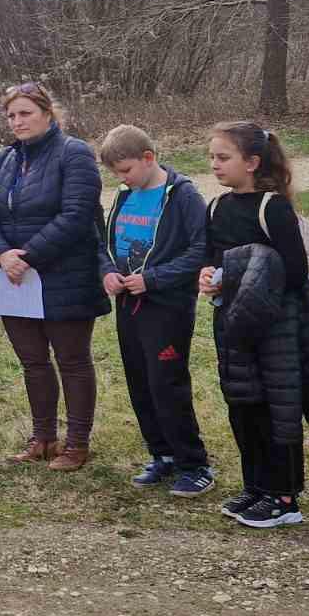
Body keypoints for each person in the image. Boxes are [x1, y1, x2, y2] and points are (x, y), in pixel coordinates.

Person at [199, 122, 309, 529]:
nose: (214, 165)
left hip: (276, 328)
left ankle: (284, 496)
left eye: (223, 157)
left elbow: (293, 271)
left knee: (276, 409)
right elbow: (211, 256)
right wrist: (207, 275)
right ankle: (256, 485)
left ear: (252, 162)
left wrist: (236, 277)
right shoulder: (216, 207)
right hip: (232, 324)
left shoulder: (272, 207)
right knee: (242, 405)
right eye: (212, 157)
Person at [0, 82, 107, 470]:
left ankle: (77, 444)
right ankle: (43, 438)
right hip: (14, 278)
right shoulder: (5, 158)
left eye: (25, 113)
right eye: (11, 115)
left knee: (72, 360)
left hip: (65, 275)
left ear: (47, 113)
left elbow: (76, 215)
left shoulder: (74, 153)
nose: (17, 122)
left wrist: (28, 257)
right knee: (33, 361)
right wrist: (3, 254)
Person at [96, 125, 214, 495]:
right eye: (116, 173)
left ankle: (194, 464)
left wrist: (154, 279)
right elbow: (104, 243)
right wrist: (107, 272)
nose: (122, 178)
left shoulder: (183, 196)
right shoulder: (124, 195)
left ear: (148, 158)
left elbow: (201, 249)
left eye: (126, 170)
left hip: (167, 307)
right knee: (140, 381)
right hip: (128, 305)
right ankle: (162, 454)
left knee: (167, 384)